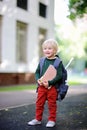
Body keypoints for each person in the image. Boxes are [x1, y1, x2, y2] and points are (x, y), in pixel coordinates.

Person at [28, 39, 62, 127]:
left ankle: (52, 120)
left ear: (55, 50)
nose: (47, 50)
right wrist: (38, 79)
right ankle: (38, 119)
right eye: (45, 48)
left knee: (52, 104)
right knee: (39, 103)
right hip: (41, 87)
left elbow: (59, 75)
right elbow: (37, 72)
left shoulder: (58, 62)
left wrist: (50, 83)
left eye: (50, 48)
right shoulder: (42, 61)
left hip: (52, 88)